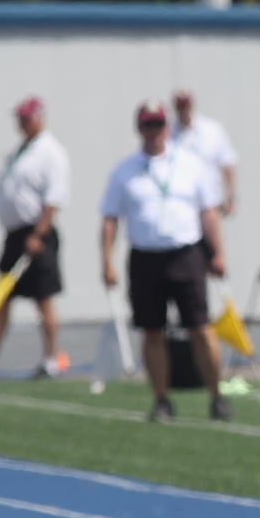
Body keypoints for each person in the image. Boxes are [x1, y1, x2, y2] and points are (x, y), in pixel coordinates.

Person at [101, 100, 232, 421]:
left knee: (200, 328)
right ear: (139, 128)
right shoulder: (125, 170)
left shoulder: (190, 164)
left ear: (167, 126)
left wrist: (218, 252)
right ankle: (162, 398)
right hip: (145, 257)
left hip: (186, 254)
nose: (154, 131)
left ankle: (216, 395)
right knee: (152, 331)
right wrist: (107, 260)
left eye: (158, 124)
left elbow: (208, 212)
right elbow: (110, 219)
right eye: (148, 124)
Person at [0, 96, 70, 380]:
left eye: (26, 118)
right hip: (15, 235)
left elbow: (54, 197)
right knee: (4, 297)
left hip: (36, 233)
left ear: (39, 118)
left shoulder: (50, 151)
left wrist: (39, 233)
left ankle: (50, 359)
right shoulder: (22, 149)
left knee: (43, 298)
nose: (21, 124)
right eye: (20, 119)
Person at [171, 89, 239, 217]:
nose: (184, 110)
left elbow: (227, 163)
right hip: (182, 203)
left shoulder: (212, 130)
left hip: (211, 201)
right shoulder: (169, 133)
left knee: (212, 236)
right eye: (180, 107)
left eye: (186, 106)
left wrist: (231, 197)